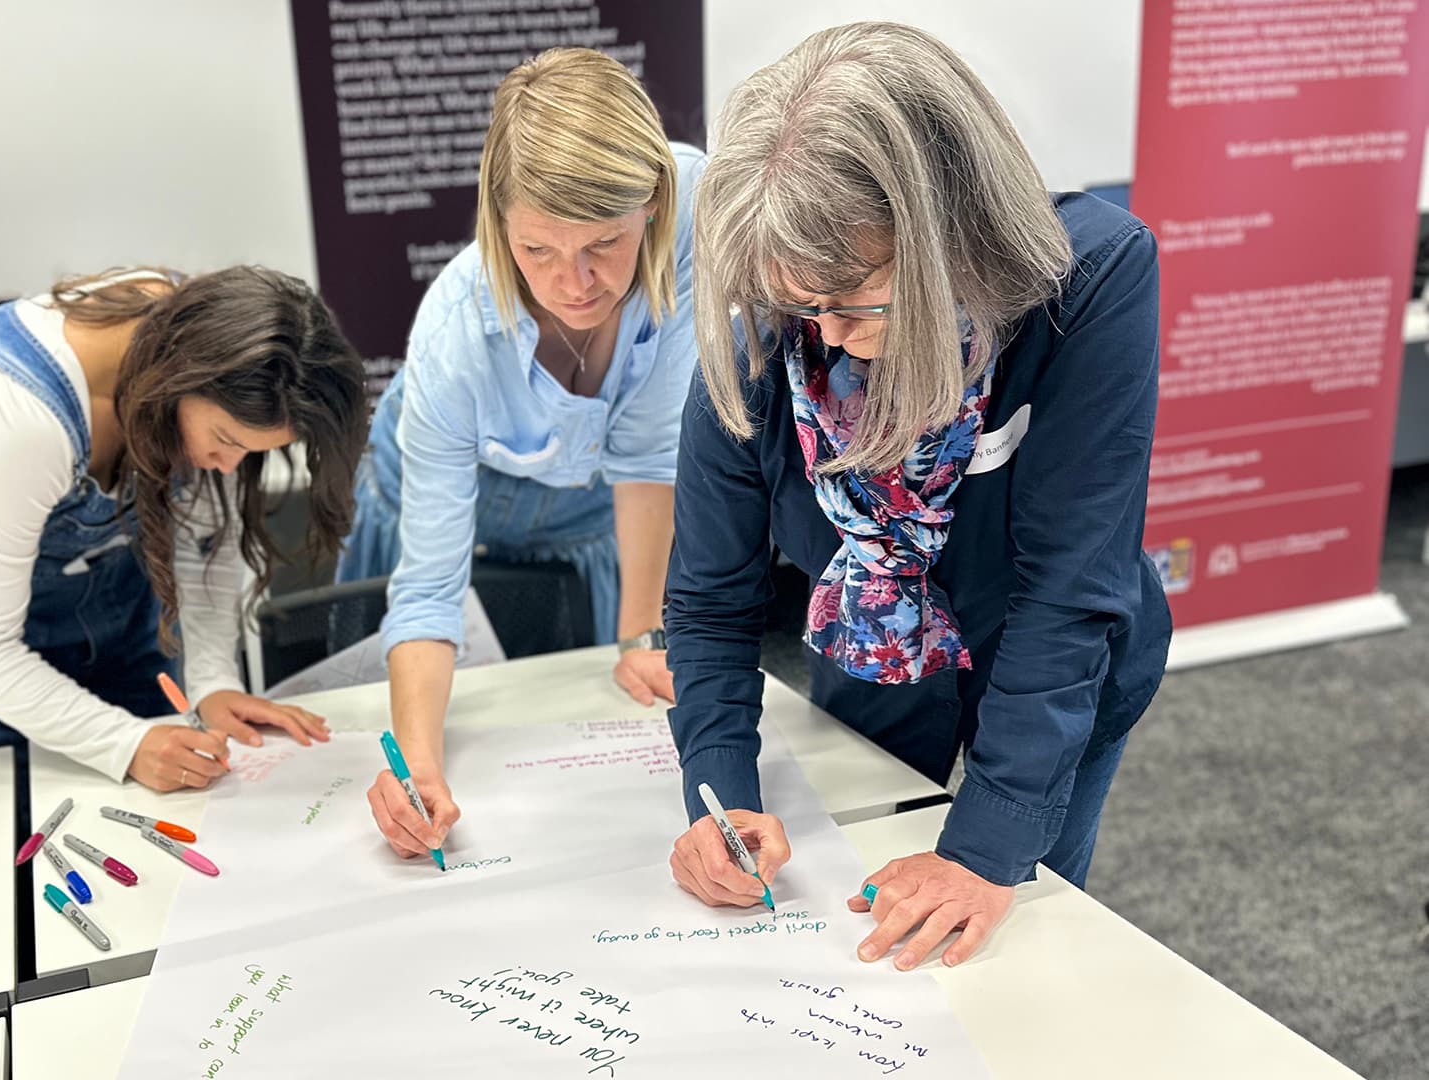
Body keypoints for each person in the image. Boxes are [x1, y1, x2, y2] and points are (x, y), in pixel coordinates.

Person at [664, 23, 1170, 971]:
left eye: (855, 302)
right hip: (877, 653)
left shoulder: (1089, 282)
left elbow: (1068, 588)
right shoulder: (769, 342)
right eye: (799, 305)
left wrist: (986, 853)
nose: (828, 336)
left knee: (1010, 937)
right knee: (870, 934)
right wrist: (720, 792)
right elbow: (708, 600)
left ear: (948, 235)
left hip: (1055, 663)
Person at [343, 47, 706, 860]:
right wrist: (417, 768)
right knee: (390, 700)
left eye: (603, 245)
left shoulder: (695, 208)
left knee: (582, 700)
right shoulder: (454, 339)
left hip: (594, 499)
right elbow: (430, 590)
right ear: (496, 223)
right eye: (537, 251)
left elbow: (651, 449)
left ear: (652, 205)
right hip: (443, 484)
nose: (574, 284)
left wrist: (643, 631)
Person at [0, 266, 368, 791]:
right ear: (178, 380)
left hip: (118, 607)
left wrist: (213, 684)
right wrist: (124, 743)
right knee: (3, 840)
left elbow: (203, 546)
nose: (228, 467)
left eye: (250, 454)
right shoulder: (20, 420)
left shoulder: (227, 353)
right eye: (225, 441)